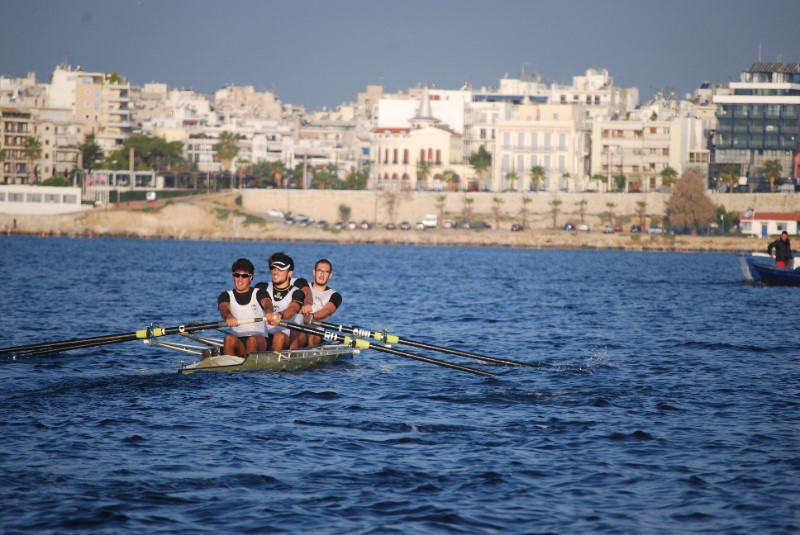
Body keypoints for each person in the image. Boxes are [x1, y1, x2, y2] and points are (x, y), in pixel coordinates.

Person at [217, 258, 275, 358]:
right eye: (237, 275)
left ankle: (249, 372)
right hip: (239, 341)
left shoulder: (259, 293)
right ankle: (228, 370)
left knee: (252, 340)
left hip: (260, 340)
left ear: (251, 278)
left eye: (244, 276)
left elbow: (267, 302)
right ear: (233, 277)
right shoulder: (225, 295)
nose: (240, 279)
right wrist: (228, 316)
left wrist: (269, 312)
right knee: (229, 338)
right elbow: (223, 308)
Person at [255, 252, 305, 350]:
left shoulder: (297, 293)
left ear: (290, 273)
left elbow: (292, 309)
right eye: (273, 268)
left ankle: (272, 362)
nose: (275, 272)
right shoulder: (261, 287)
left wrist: (280, 315)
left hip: (284, 337)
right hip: (263, 336)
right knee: (253, 338)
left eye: (280, 269)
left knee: (279, 336)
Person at [293, 258, 342, 348]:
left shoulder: (335, 296)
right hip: (295, 327)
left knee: (312, 335)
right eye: (319, 270)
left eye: (326, 272)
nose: (322, 274)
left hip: (316, 331)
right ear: (314, 272)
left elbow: (327, 310)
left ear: (330, 275)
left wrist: (312, 317)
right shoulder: (302, 285)